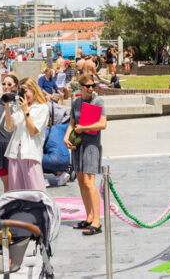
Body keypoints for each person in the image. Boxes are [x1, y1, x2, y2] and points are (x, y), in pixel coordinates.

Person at [65, 73, 107, 235]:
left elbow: (103, 124)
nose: (90, 89)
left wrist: (83, 128)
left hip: (91, 146)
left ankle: (97, 221)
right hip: (78, 146)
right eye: (87, 86)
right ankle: (89, 217)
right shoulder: (76, 102)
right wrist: (66, 136)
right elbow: (71, 124)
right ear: (81, 87)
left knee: (90, 183)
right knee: (81, 182)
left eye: (93, 86)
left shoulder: (98, 101)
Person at [4, 78, 50, 192]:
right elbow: (9, 127)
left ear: (34, 90)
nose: (23, 94)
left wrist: (26, 111)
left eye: (25, 91)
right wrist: (6, 107)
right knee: (16, 192)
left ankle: (39, 210)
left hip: (30, 153)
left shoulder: (42, 108)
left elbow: (33, 131)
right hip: (15, 153)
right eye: (21, 91)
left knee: (36, 191)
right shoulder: (19, 108)